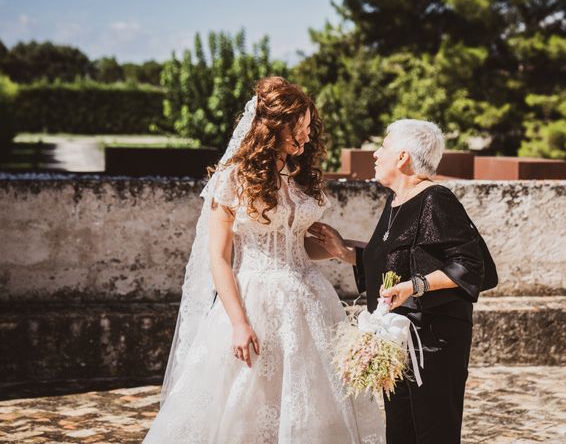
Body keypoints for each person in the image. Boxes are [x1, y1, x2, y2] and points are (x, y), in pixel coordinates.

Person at [143, 77, 384, 443]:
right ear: (271, 127)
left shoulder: (296, 178)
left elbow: (299, 247)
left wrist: (336, 250)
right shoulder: (232, 179)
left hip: (311, 300)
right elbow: (220, 260)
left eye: (307, 129)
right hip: (255, 301)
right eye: (297, 130)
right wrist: (239, 323)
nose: (304, 138)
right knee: (250, 400)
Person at [309, 119, 494, 444]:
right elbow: (396, 263)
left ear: (403, 157)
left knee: (432, 433)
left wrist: (414, 287)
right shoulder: (395, 202)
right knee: (401, 434)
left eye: (383, 146)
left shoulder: (436, 199)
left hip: (433, 344)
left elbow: (470, 266)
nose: (376, 154)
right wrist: (346, 253)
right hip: (398, 342)